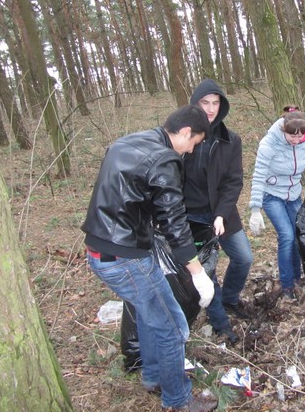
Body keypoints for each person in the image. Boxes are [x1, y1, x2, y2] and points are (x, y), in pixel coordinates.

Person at [82, 105, 217, 412]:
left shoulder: (129, 142)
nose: (192, 150)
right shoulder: (164, 159)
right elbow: (174, 221)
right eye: (194, 143)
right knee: (172, 328)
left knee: (147, 311)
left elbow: (130, 195)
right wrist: (197, 272)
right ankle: (178, 401)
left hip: (100, 248)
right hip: (124, 257)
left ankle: (154, 375)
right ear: (184, 132)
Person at [184, 79, 254, 344]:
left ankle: (230, 299)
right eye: (205, 103)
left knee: (244, 257)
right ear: (195, 104)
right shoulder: (184, 135)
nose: (210, 109)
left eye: (215, 103)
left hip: (222, 215)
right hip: (191, 218)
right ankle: (220, 324)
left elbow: (234, 181)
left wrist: (222, 214)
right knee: (208, 272)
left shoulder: (230, 140)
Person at [248, 107, 305, 299]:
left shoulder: (304, 142)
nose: (296, 141)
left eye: (300, 137)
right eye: (292, 137)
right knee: (286, 236)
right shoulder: (269, 144)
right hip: (272, 196)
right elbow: (258, 176)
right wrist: (255, 209)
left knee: (298, 235)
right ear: (283, 130)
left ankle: (296, 278)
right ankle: (287, 286)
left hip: (294, 195)